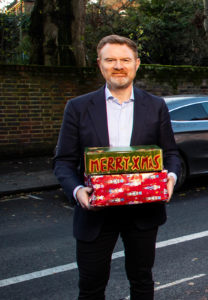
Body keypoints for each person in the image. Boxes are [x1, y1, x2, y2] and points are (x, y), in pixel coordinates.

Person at [53, 34, 180, 300]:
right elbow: (63, 162)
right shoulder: (77, 107)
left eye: (125, 60)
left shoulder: (156, 106)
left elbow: (170, 153)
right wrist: (78, 191)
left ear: (137, 64)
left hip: (143, 212)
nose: (118, 66)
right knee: (90, 286)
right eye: (111, 60)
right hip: (95, 214)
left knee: (142, 280)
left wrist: (170, 177)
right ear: (100, 64)